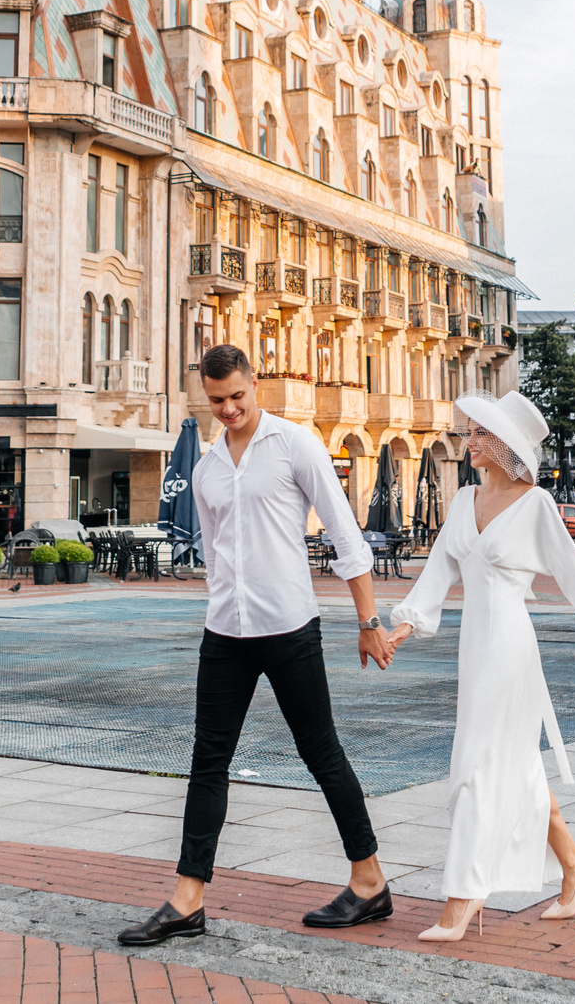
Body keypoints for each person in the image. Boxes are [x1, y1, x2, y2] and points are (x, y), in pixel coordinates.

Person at [117, 344, 398, 947]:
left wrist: (369, 620)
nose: (229, 409)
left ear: (254, 386)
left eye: (238, 397)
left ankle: (370, 882)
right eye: (217, 401)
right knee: (207, 761)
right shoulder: (206, 468)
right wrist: (219, 606)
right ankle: (187, 900)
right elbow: (216, 552)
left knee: (321, 754)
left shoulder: (295, 445)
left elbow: (347, 536)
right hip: (225, 634)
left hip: (291, 629)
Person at [386, 390, 575, 940]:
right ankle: (574, 864)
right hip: (475, 646)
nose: (467, 441)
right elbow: (438, 573)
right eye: (469, 432)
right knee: (515, 765)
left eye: (477, 433)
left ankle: (464, 896)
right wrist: (406, 624)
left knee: (475, 768)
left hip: (510, 650)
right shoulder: (462, 501)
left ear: (503, 443)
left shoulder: (537, 505)